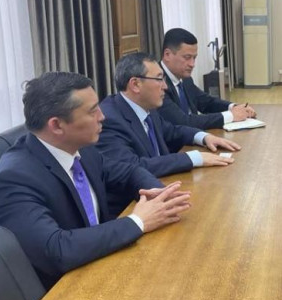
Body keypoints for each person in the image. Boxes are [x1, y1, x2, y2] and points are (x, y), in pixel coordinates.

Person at [0, 72, 192, 289]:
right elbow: (57, 250)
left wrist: (159, 196)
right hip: (57, 292)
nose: (103, 117)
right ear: (56, 125)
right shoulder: (13, 179)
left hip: (99, 265)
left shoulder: (81, 148)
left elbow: (128, 171)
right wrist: (138, 221)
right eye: (93, 111)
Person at [97, 53, 240, 210]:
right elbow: (134, 166)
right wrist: (193, 158)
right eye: (159, 79)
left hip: (164, 187)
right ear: (135, 84)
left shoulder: (146, 106)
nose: (165, 86)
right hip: (133, 206)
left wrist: (204, 137)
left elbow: (171, 131)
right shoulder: (109, 119)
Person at [158, 28, 256, 129]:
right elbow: (183, 121)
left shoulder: (185, 79)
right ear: (167, 55)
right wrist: (231, 116)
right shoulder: (156, 83)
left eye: (194, 58)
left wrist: (234, 107)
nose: (192, 64)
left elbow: (206, 102)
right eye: (187, 57)